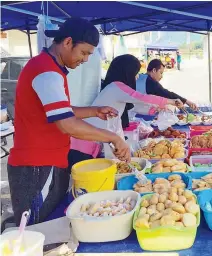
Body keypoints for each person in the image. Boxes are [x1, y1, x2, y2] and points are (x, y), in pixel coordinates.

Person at [7, 18, 131, 225]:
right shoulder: (46, 71)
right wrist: (114, 138)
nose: (85, 60)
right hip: (36, 165)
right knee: (36, 229)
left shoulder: (49, 68)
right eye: (84, 53)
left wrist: (93, 111)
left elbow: (57, 112)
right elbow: (67, 124)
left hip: (49, 160)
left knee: (48, 224)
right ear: (67, 42)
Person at [69, 54, 179, 168]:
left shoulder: (115, 89)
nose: (136, 77)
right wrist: (170, 101)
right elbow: (140, 97)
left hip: (98, 140)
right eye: (135, 73)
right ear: (127, 71)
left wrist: (153, 110)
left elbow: (132, 106)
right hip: (87, 143)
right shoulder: (116, 87)